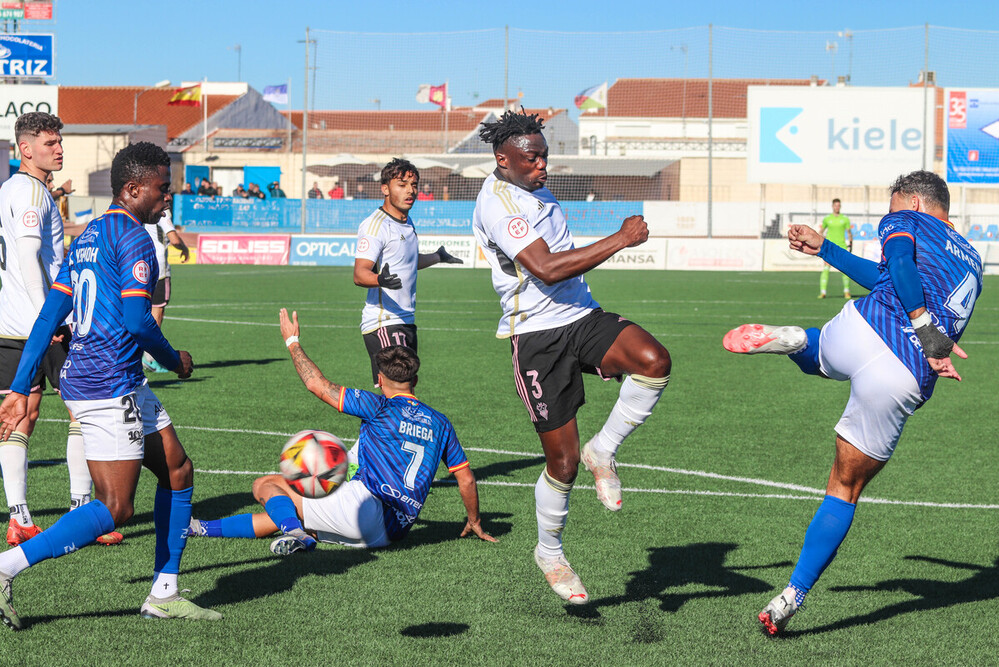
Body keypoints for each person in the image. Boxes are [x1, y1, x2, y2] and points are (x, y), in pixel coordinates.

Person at [722, 171, 982, 636]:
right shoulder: (973, 260)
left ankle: (800, 341)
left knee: (819, 356)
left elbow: (898, 263)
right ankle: (791, 596)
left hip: (863, 328)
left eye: (895, 204)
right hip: (903, 373)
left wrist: (922, 325)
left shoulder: (905, 219)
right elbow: (895, 275)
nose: (891, 211)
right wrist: (826, 250)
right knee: (843, 489)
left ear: (915, 204)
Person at [0, 141, 222, 629]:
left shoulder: (88, 236)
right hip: (107, 381)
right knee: (116, 506)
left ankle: (164, 592)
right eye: (163, 187)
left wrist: (20, 386)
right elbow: (138, 321)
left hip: (111, 377)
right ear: (134, 187)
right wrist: (176, 360)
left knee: (178, 471)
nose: (170, 195)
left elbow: (48, 318)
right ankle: (5, 567)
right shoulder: (136, 239)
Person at [472, 110, 671, 604]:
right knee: (562, 463)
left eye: (544, 156)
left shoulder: (534, 188)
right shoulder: (498, 203)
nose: (543, 166)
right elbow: (546, 267)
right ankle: (550, 552)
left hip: (580, 316)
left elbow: (562, 267)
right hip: (536, 337)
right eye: (531, 158)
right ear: (503, 160)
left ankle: (604, 449)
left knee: (653, 360)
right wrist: (621, 239)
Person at [188, 311, 495, 554]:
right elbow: (465, 477)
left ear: (379, 378)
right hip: (392, 532)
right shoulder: (441, 422)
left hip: (363, 509)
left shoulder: (378, 406)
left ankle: (294, 532)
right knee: (292, 513)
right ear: (415, 378)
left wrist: (292, 341)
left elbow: (316, 385)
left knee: (266, 484)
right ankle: (200, 528)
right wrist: (475, 521)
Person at [0, 112, 122, 548]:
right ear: (26, 148)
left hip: (9, 325)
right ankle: (80, 511)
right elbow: (32, 262)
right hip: (40, 325)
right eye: (50, 142)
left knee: (21, 417)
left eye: (59, 142)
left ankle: (20, 518)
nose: (59, 149)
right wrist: (46, 319)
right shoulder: (31, 192)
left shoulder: (12, 189)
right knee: (83, 414)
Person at [354, 158, 463, 386]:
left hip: (405, 318)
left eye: (414, 184)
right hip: (384, 321)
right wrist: (380, 280)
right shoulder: (376, 225)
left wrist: (437, 257)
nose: (410, 190)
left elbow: (407, 262)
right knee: (398, 389)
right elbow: (360, 273)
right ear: (385, 188)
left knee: (406, 388)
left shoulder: (407, 221)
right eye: (402, 184)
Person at [142, 207, 190, 372]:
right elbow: (174, 239)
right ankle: (149, 357)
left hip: (144, 264)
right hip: (160, 267)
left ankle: (137, 356)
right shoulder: (162, 211)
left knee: (143, 311)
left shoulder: (143, 209)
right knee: (157, 312)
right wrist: (184, 248)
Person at [818, 198, 853, 299]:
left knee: (845, 270)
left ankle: (846, 291)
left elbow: (849, 233)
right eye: (835, 205)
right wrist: (822, 242)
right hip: (829, 247)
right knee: (826, 268)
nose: (837, 207)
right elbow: (821, 231)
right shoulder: (827, 219)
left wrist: (850, 244)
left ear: (840, 206)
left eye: (838, 205)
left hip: (841, 246)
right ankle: (823, 292)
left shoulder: (845, 219)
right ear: (832, 206)